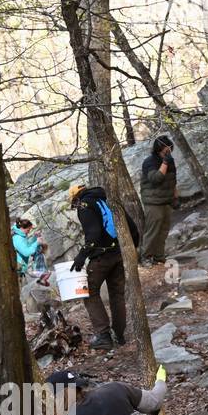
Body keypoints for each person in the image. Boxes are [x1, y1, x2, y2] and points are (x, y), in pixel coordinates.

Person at [69, 184, 140, 349]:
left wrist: (81, 257)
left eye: (74, 204)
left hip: (101, 257)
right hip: (119, 254)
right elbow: (132, 226)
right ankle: (119, 335)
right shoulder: (107, 199)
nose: (75, 207)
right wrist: (132, 247)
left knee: (89, 292)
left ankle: (103, 335)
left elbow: (93, 235)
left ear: (76, 198)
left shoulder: (84, 205)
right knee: (117, 294)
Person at [139, 134, 177, 264]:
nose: (168, 152)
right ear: (159, 149)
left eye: (170, 150)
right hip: (153, 202)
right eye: (166, 150)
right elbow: (156, 179)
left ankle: (159, 257)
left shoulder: (170, 161)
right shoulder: (150, 162)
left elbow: (173, 181)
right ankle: (146, 257)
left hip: (166, 201)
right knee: (153, 231)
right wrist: (165, 162)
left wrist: (175, 197)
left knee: (164, 231)